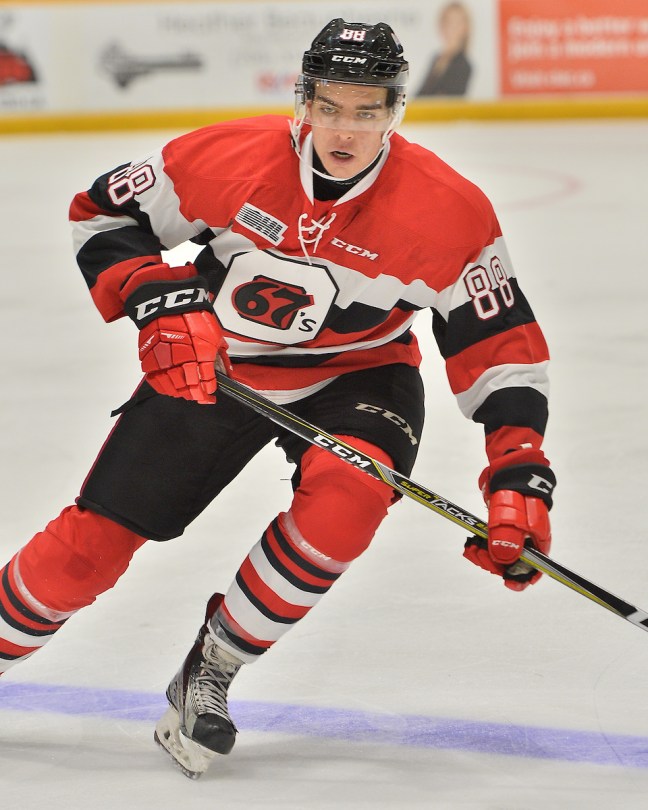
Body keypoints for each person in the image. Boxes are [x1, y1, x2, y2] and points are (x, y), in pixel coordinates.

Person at [0, 18, 555, 778]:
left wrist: (518, 471)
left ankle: (212, 665)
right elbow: (103, 214)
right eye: (330, 106)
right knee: (83, 557)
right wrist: (154, 295)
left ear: (397, 110)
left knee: (348, 498)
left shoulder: (448, 210)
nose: (345, 129)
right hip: (215, 363)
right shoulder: (227, 157)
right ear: (302, 100)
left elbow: (501, 351)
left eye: (368, 110)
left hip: (358, 374)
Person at [417, 2, 472, 97]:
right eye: (448, 22)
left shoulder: (463, 65)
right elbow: (420, 95)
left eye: (457, 22)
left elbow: (449, 99)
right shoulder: (436, 59)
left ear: (465, 28)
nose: (451, 28)